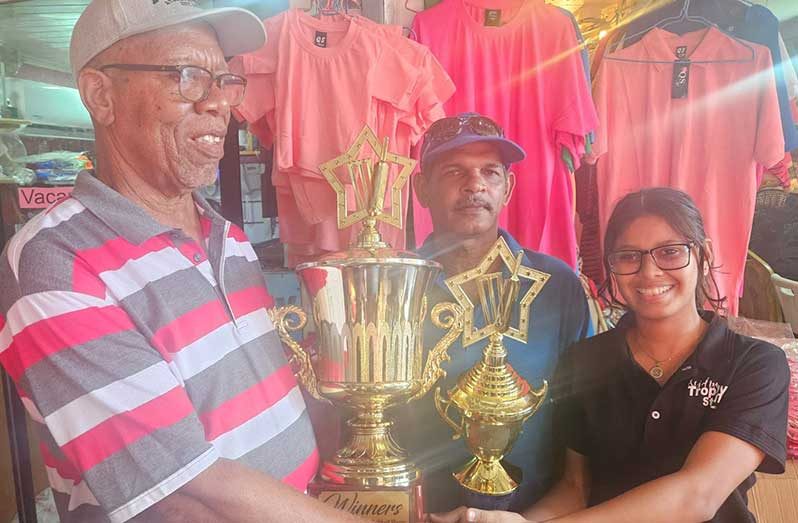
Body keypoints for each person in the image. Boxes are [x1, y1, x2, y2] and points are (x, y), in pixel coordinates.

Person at [0, 1, 365, 521]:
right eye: (188, 77)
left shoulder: (229, 240)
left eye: (224, 80)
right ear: (101, 96)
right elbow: (183, 496)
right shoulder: (55, 266)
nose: (219, 104)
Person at [433, 187, 790, 523]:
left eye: (670, 251)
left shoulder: (754, 365)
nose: (649, 272)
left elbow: (698, 495)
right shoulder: (586, 361)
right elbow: (576, 489)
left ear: (704, 254)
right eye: (628, 256)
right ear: (611, 266)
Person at [396, 113, 592, 514]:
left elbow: (584, 425)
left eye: (491, 172)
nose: (474, 186)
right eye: (454, 171)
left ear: (508, 187)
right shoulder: (392, 286)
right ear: (421, 189)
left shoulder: (556, 286)